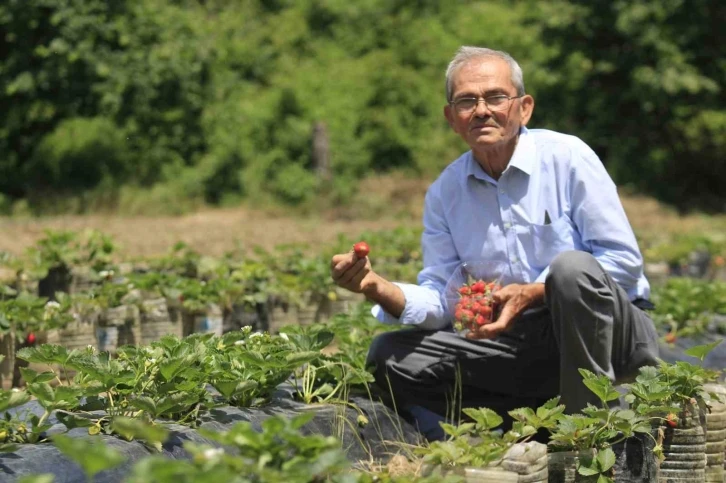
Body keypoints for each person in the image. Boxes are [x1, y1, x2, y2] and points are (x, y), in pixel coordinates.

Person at [329, 46, 659, 440]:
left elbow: (622, 262)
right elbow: (442, 301)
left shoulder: (567, 158)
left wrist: (536, 292)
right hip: (519, 346)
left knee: (570, 271)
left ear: (524, 108)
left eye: (496, 97)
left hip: (609, 338)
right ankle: (497, 431)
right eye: (467, 101)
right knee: (389, 355)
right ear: (452, 118)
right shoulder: (445, 193)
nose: (482, 110)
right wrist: (377, 287)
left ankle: (591, 430)